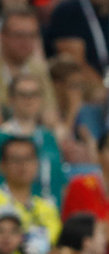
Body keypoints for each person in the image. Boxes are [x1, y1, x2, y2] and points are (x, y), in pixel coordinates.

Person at [0, 74, 65, 207]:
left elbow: (59, 179)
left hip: (50, 212)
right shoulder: (2, 136)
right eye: (23, 95)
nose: (29, 100)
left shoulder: (48, 137)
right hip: (11, 211)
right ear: (11, 99)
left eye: (34, 94)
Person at [0, 137, 62, 254]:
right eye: (15, 159)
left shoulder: (48, 208)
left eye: (28, 159)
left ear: (37, 164)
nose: (23, 165)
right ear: (2, 166)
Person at [0, 9, 59, 128]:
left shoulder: (38, 70)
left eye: (31, 35)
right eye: (18, 35)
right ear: (3, 36)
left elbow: (50, 113)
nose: (25, 41)